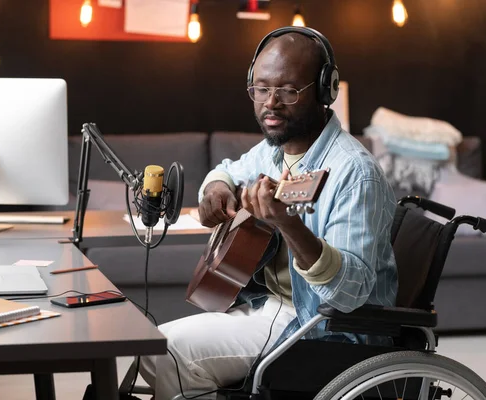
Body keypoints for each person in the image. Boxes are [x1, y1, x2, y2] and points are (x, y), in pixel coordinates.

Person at [140, 26, 398, 400]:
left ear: (326, 91)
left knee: (162, 354)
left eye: (288, 90)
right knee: (150, 348)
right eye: (261, 89)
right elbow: (228, 168)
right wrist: (217, 187)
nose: (270, 103)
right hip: (267, 305)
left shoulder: (354, 173)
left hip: (320, 327)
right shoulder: (276, 150)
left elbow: (350, 293)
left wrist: (288, 224)